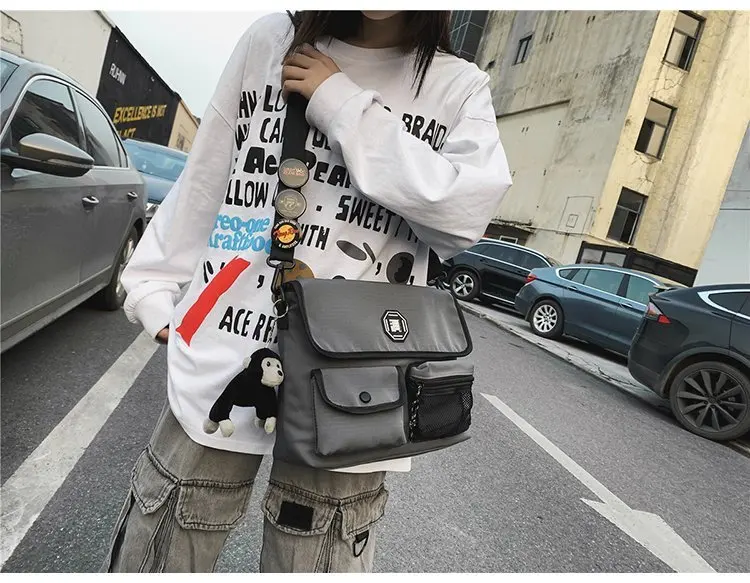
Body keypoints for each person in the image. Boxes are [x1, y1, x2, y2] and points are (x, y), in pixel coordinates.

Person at [105, 10, 512, 573]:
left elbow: (463, 215)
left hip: (360, 377)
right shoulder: (273, 39)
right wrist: (152, 289)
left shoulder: (457, 86)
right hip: (230, 345)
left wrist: (340, 103)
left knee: (316, 553)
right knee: (165, 544)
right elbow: (211, 172)